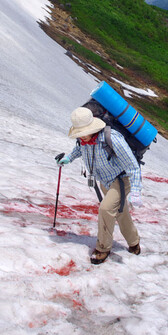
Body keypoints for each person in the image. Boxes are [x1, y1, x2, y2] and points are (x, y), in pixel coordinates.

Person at [56, 106, 142, 265]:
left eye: (83, 133)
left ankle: (103, 248)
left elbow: (133, 166)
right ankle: (134, 243)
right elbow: (79, 149)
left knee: (105, 209)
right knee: (120, 212)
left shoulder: (112, 138)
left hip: (121, 180)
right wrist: (68, 158)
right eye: (79, 134)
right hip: (105, 180)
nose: (81, 137)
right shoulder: (84, 139)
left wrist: (136, 191)